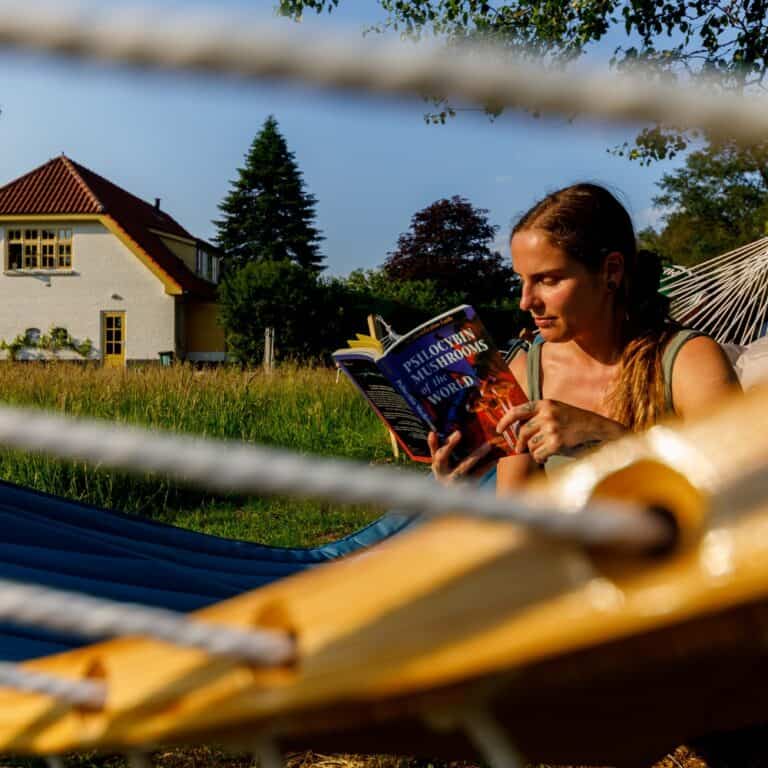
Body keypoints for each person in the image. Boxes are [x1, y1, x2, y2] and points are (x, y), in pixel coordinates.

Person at [429, 183, 740, 489]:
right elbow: (518, 519)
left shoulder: (687, 360)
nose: (526, 302)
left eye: (548, 280)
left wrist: (605, 434)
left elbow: (743, 488)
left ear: (611, 271)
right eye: (522, 280)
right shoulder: (526, 373)